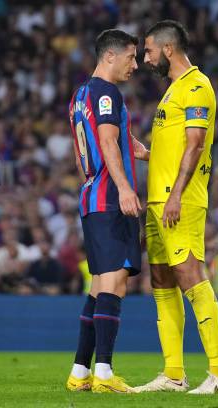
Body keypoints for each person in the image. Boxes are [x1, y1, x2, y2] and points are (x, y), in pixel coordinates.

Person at [135, 20, 218, 395]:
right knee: (161, 282)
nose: (145, 59)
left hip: (181, 199)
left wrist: (176, 194)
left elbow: (195, 145)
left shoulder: (197, 85)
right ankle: (174, 374)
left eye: (147, 51)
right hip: (159, 199)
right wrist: (147, 154)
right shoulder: (173, 90)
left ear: (167, 49)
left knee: (191, 276)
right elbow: (176, 147)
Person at [65, 29, 149, 394]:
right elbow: (107, 139)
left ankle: (80, 372)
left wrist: (136, 150)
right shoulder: (107, 91)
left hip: (91, 196)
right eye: (131, 57)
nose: (136, 64)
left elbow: (97, 139)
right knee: (114, 284)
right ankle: (104, 374)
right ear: (110, 56)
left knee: (99, 286)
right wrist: (126, 187)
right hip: (111, 198)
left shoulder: (80, 95)